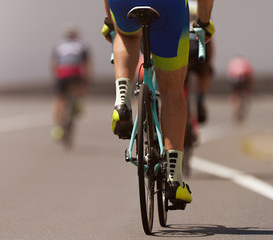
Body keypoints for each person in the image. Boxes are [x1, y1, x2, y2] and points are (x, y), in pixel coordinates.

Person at [102, 0, 215, 204]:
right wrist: (204, 22)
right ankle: (174, 179)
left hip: (123, 3)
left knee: (125, 34)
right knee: (172, 92)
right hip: (168, 7)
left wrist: (110, 20)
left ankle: (122, 101)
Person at [51, 25, 91, 140]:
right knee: (81, 86)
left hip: (62, 73)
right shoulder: (82, 45)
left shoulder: (59, 45)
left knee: (59, 99)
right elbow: (86, 65)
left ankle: (58, 127)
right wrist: (87, 81)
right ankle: (78, 103)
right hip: (75, 73)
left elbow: (54, 64)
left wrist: (55, 78)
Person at [187, 0, 215, 124]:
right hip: (198, 43)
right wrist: (209, 62)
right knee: (206, 73)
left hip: (182, 44)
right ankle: (200, 98)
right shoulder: (200, 6)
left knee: (175, 84)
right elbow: (208, 36)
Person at [227, 56, 254, 122]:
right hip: (244, 77)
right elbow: (250, 75)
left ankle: (235, 107)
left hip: (234, 78)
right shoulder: (245, 62)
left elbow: (229, 73)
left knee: (235, 93)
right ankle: (247, 98)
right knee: (245, 90)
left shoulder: (232, 62)